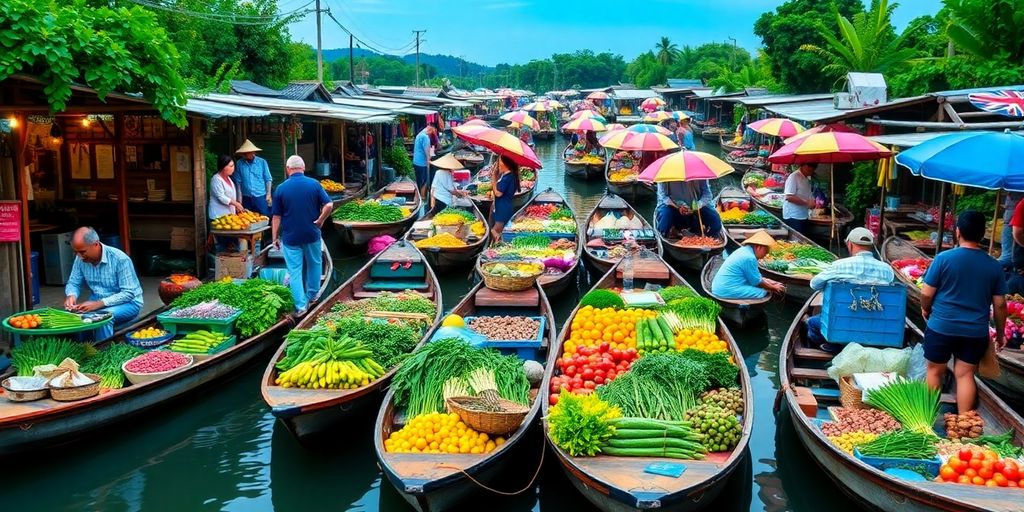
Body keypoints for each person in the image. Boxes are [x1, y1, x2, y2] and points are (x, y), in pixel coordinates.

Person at [921, 211, 1007, 413]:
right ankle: (964, 423)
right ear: (982, 234)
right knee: (965, 374)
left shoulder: (944, 259)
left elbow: (926, 292)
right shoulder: (994, 266)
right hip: (975, 331)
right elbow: (1001, 304)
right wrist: (1001, 334)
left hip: (942, 325)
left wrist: (926, 308)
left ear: (958, 231)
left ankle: (927, 419)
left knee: (935, 370)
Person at [804, 228, 896, 352]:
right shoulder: (887, 270)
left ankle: (833, 346)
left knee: (812, 323)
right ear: (871, 246)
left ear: (850, 244)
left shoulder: (840, 265)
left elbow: (814, 284)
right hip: (876, 327)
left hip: (840, 326)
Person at [271, 156, 334, 316]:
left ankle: (300, 307)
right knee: (314, 264)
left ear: (287, 169)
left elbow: (276, 217)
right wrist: (321, 219)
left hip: (291, 237)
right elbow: (329, 204)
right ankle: (313, 296)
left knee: (295, 271)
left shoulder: (280, 189)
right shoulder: (314, 184)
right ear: (303, 168)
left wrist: (274, 238)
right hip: (311, 233)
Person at [64, 227, 144, 340]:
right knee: (77, 317)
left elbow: (128, 293)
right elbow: (73, 282)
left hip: (129, 303)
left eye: (82, 252)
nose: (79, 256)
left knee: (102, 318)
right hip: (97, 301)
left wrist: (98, 304)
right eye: (75, 252)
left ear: (96, 244)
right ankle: (84, 350)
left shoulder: (120, 259)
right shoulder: (80, 259)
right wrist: (71, 295)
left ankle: (104, 352)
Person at [711, 230, 785, 299]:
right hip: (724, 290)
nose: (765, 255)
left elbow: (755, 277)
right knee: (763, 292)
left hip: (719, 287)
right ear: (759, 247)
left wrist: (770, 282)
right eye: (765, 251)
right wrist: (774, 288)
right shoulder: (749, 258)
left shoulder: (744, 250)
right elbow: (757, 282)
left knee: (763, 286)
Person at [655, 180, 722, 238]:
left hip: (697, 204)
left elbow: (707, 195)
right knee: (665, 221)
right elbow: (663, 197)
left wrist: (698, 205)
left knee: (715, 222)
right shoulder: (664, 175)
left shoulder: (699, 172)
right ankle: (668, 234)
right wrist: (678, 207)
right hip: (672, 205)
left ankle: (708, 238)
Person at [209, 154, 243, 252]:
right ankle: (223, 266)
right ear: (224, 167)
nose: (233, 168)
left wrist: (236, 207)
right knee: (223, 247)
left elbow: (232, 196)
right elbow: (221, 197)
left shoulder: (229, 179)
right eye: (231, 166)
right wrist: (236, 204)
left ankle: (234, 265)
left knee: (234, 245)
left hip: (230, 218)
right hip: (218, 217)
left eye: (233, 165)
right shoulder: (216, 180)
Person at [233, 140, 273, 216]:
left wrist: (268, 194)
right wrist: (239, 199)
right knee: (247, 218)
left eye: (252, 152)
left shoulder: (262, 162)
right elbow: (238, 182)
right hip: (246, 197)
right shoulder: (239, 164)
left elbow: (268, 179)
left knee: (265, 217)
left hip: (260, 196)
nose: (251, 154)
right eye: (247, 153)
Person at [489, 155, 520, 241]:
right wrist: (496, 174)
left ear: (506, 164)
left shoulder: (508, 177)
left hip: (503, 208)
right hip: (504, 207)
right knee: (499, 231)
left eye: (500, 162)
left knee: (495, 231)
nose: (498, 164)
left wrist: (493, 179)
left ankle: (497, 246)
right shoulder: (508, 175)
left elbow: (498, 193)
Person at [783, 163, 816, 236]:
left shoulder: (807, 178)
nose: (810, 171)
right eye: (808, 169)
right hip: (793, 216)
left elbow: (807, 194)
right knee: (797, 241)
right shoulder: (794, 177)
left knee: (804, 239)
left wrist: (813, 202)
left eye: (812, 169)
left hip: (803, 214)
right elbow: (789, 197)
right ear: (803, 165)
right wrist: (807, 203)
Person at [412, 124, 436, 199]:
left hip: (416, 161)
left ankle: (419, 196)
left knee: (419, 180)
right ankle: (422, 197)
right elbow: (427, 151)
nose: (431, 134)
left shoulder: (419, 135)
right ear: (430, 129)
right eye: (432, 132)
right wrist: (428, 161)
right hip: (422, 163)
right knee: (424, 181)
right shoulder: (425, 137)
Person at [1001, 192, 1024, 271]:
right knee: (1008, 257)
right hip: (1012, 221)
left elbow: (1017, 233)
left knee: (1007, 256)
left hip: (1010, 220)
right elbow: (1017, 233)